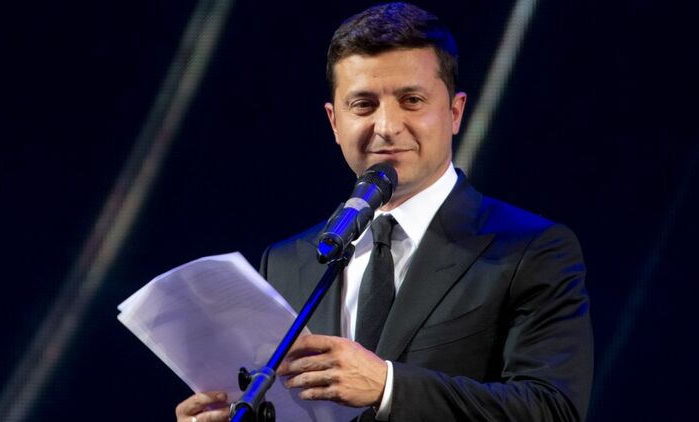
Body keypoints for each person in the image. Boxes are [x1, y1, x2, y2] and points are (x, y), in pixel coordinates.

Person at [176, 2, 593, 421]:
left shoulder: (530, 250)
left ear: (454, 112)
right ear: (334, 122)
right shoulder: (288, 263)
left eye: (412, 100)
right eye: (363, 104)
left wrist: (388, 386)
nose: (388, 126)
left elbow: (553, 409)